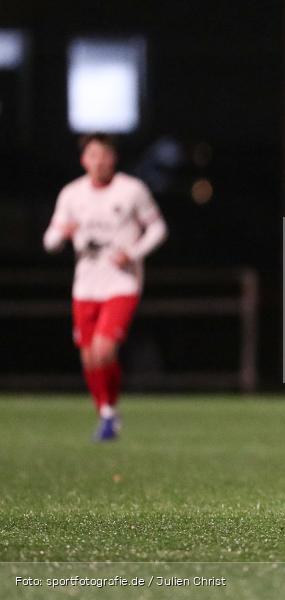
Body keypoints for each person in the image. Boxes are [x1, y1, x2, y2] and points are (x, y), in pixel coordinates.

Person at [43, 133, 167, 441]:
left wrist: (132, 253)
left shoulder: (131, 189)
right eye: (93, 155)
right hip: (86, 285)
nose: (100, 161)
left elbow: (158, 227)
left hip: (122, 282)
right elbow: (50, 242)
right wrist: (63, 234)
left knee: (104, 348)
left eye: (105, 155)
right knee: (88, 356)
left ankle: (109, 415)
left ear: (114, 158)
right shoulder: (72, 194)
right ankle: (107, 412)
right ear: (84, 160)